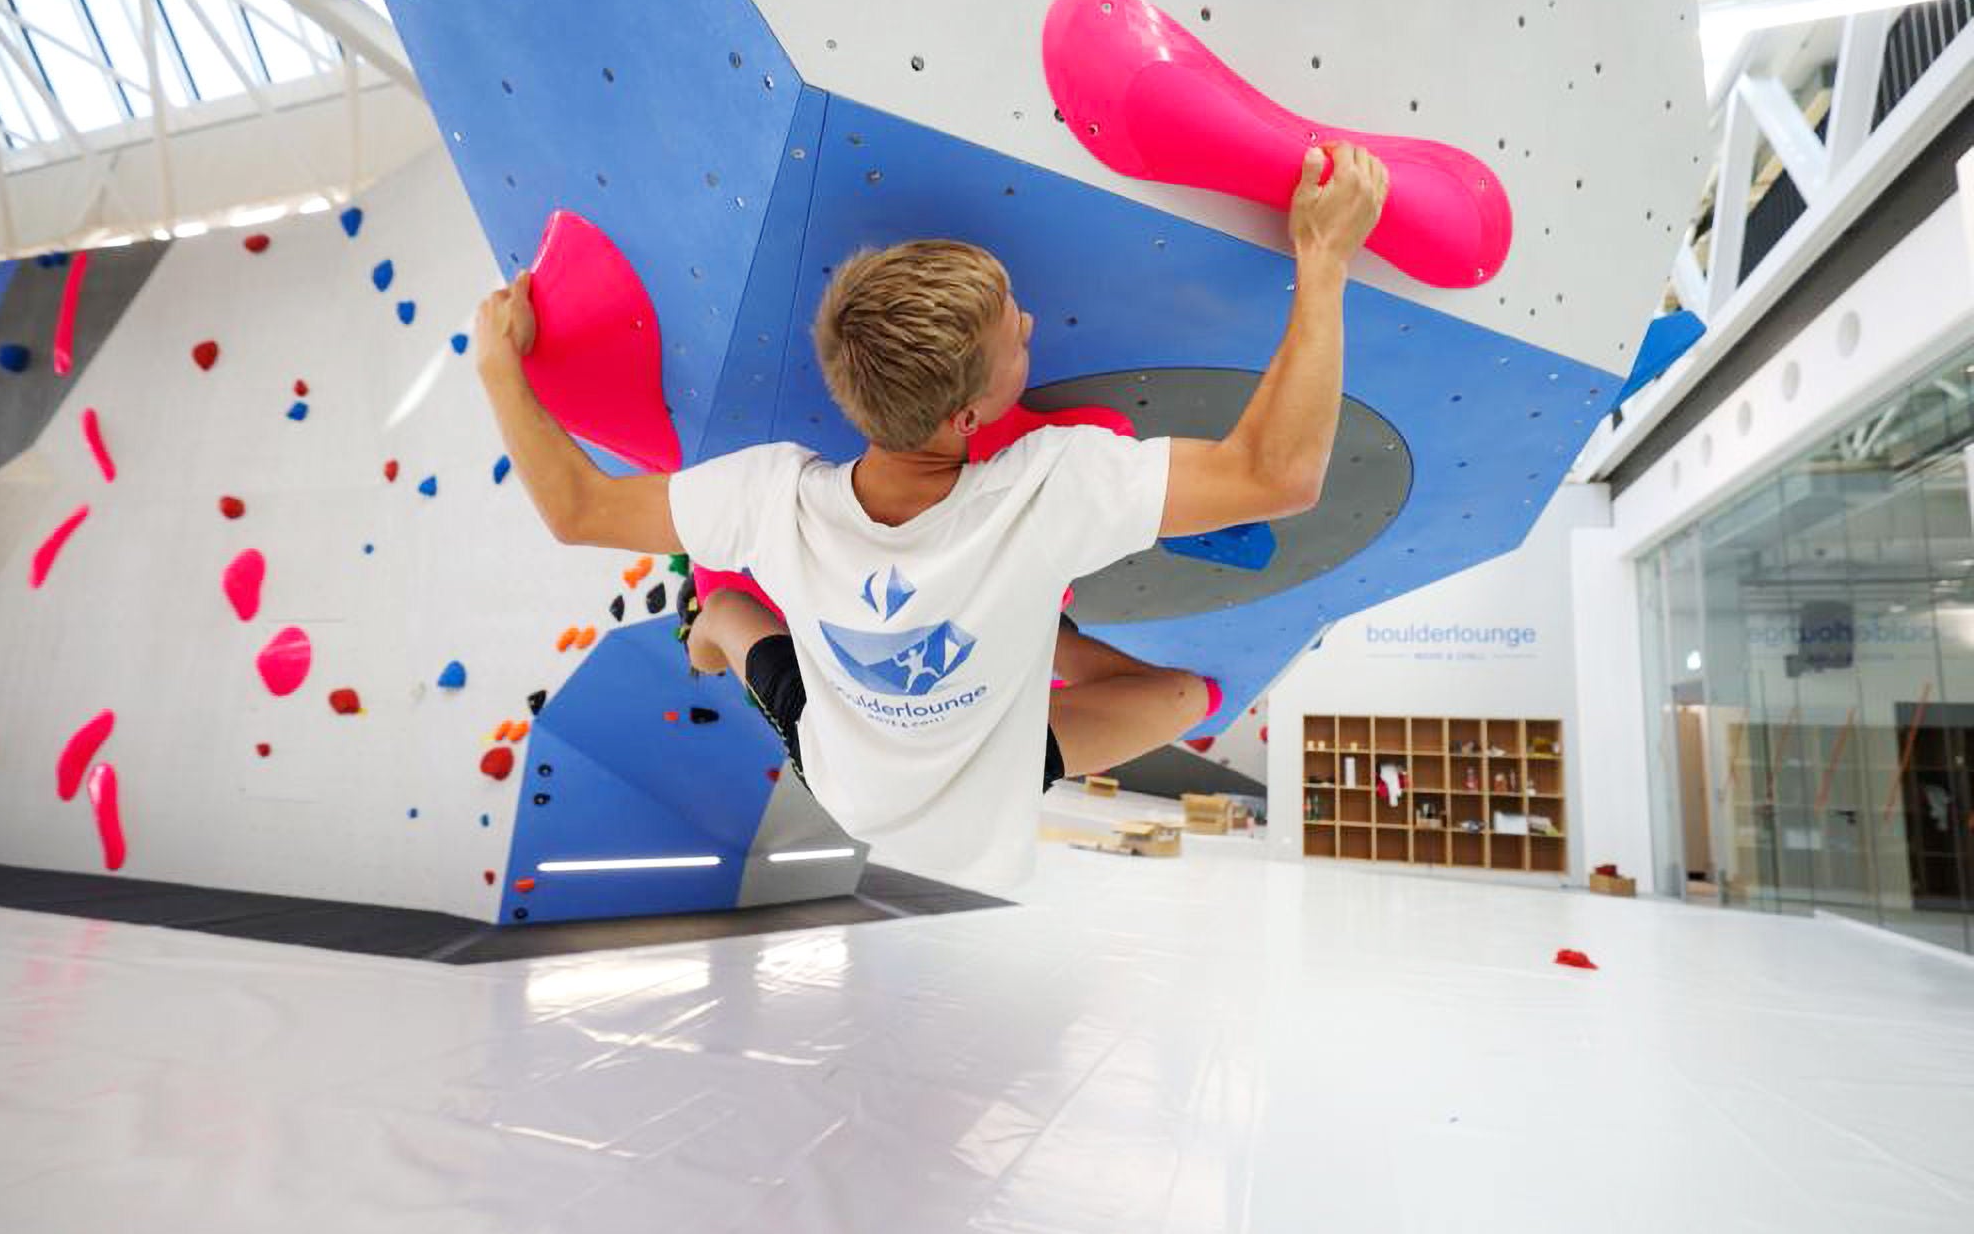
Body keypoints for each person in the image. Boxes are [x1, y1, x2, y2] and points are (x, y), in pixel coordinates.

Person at [475, 143, 1388, 889]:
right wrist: (1323, 263)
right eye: (1014, 338)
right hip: (975, 778)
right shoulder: (1046, 489)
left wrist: (496, 367)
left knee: (737, 623)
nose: (1029, 325)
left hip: (838, 762)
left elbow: (578, 508)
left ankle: (714, 619)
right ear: (968, 418)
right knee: (1192, 701)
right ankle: (1025, 641)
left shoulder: (773, 496)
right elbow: (1278, 476)